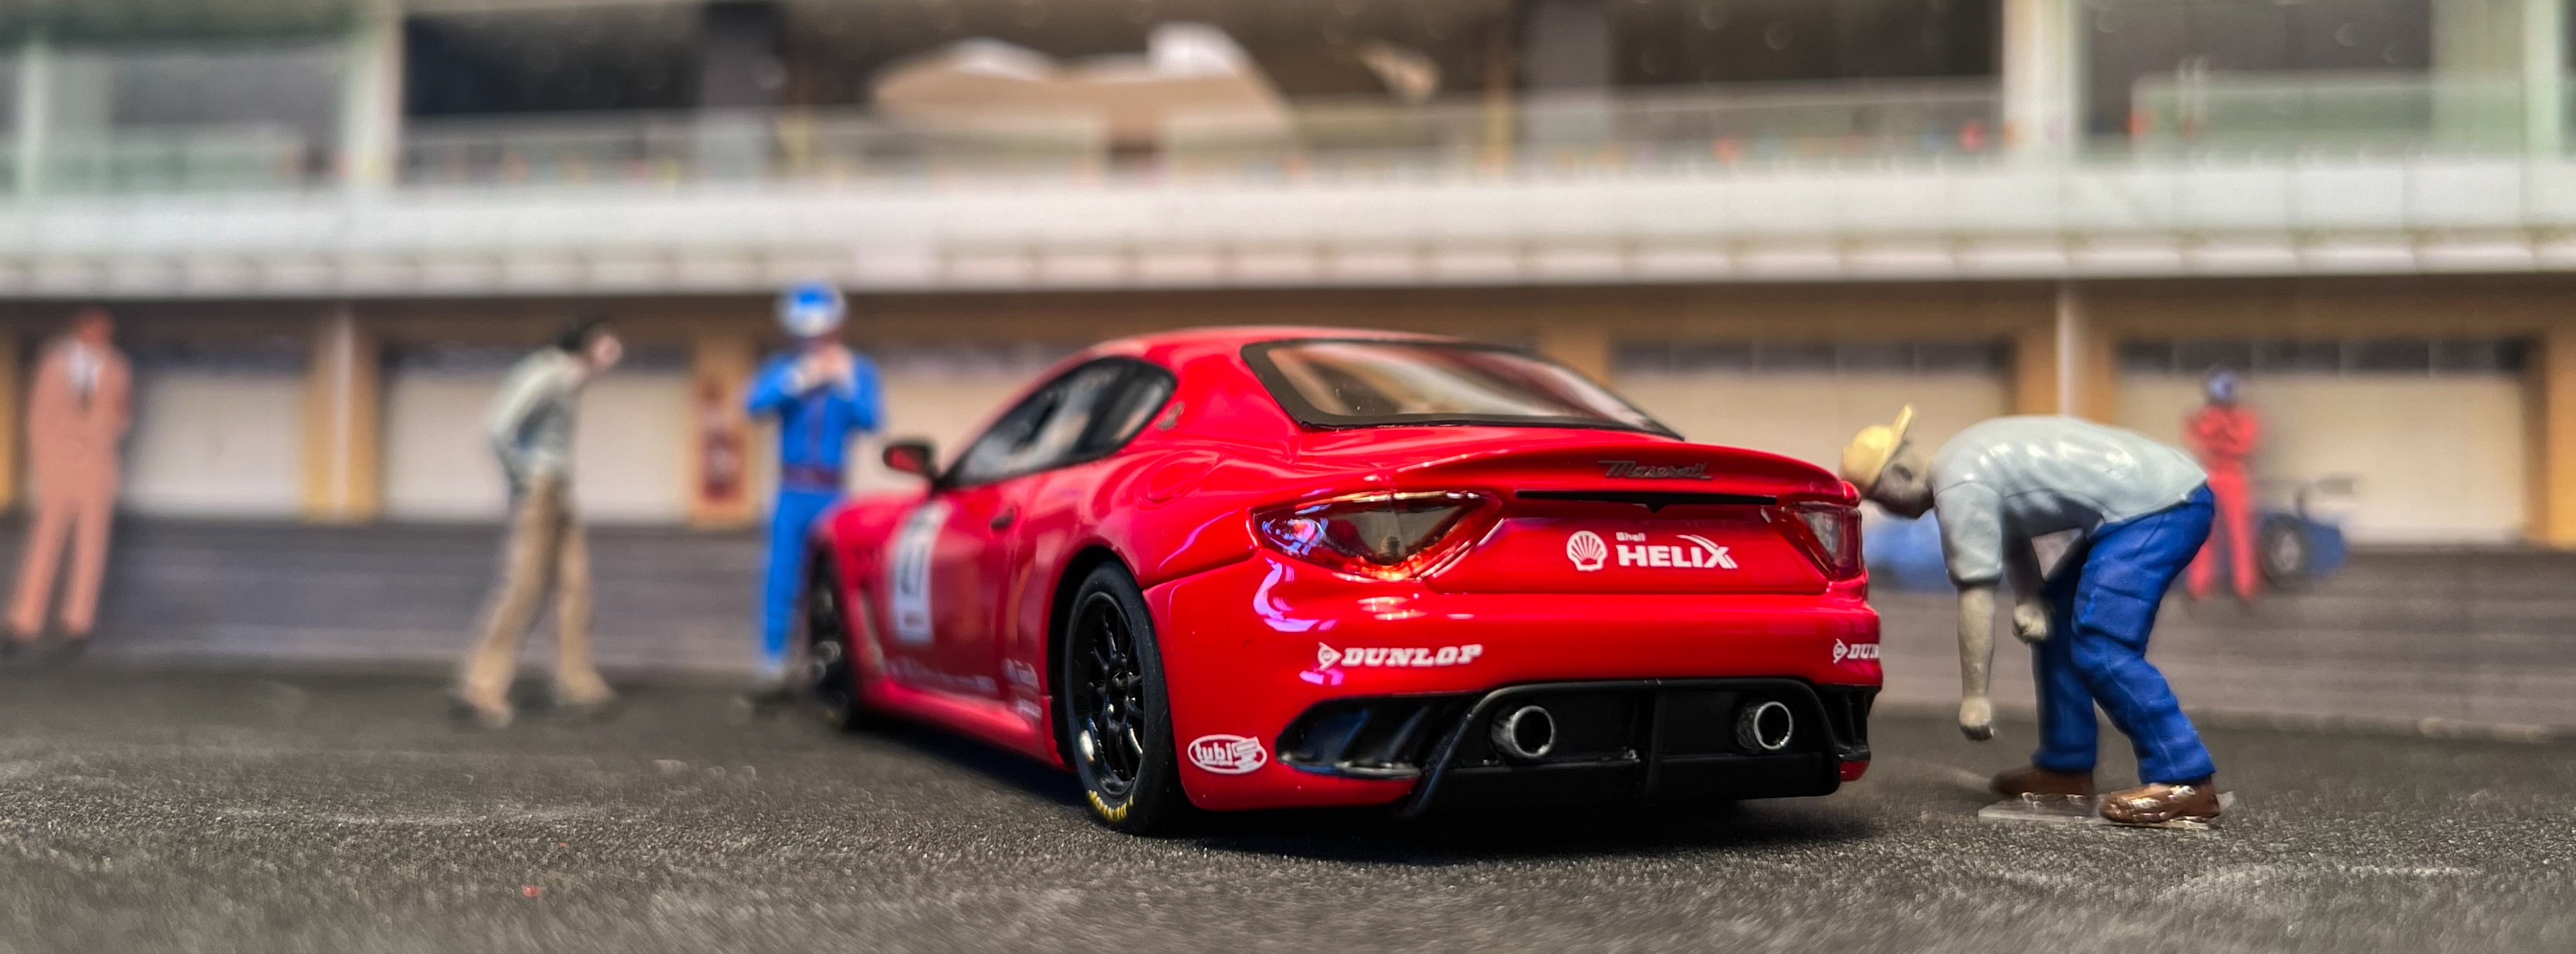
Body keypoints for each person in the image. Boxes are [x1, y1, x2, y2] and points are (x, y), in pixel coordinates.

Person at [1840, 407, 2224, 825]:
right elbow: (2011, 531)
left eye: (1879, 498)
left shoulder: (1959, 486)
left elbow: (1976, 594)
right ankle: (2067, 764)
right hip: (2152, 498)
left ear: (1899, 474)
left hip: (2162, 507)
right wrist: (2030, 597)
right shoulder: (1965, 458)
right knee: (2057, 624)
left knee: (2102, 644)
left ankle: (2185, 778)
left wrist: (1975, 699)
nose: (1886, 510)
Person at [452, 316, 623, 728]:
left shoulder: (571, 379)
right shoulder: (548, 374)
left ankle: (574, 678)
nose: (616, 349)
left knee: (576, 586)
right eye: (608, 341)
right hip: (541, 492)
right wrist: (526, 479)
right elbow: (498, 430)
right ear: (588, 342)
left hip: (560, 491)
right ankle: (482, 685)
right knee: (523, 588)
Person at [746, 283, 881, 701]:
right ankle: (773, 665)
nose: (814, 340)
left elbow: (871, 419)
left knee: (831, 581)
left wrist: (845, 382)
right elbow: (754, 405)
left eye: (821, 332)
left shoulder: (857, 369)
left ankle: (830, 665)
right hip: (791, 490)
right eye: (805, 333)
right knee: (781, 577)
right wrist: (800, 378)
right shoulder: (784, 367)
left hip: (831, 493)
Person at [9, 306, 131, 658]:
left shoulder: (116, 366)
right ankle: (24, 623)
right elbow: (38, 416)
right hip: (58, 467)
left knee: (91, 546)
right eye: (95, 328)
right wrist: (47, 462)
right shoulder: (55, 364)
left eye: (105, 329)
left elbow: (122, 414)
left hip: (98, 465)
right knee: (44, 543)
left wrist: (101, 433)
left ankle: (78, 624)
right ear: (80, 328)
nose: (100, 334)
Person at [2185, 370, 2262, 601]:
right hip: (2230, 475)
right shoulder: (2244, 419)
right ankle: (2242, 585)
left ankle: (2201, 584)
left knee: (2211, 532)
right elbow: (2246, 445)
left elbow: (2196, 437)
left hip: (2214, 474)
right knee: (2236, 533)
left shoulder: (2204, 418)